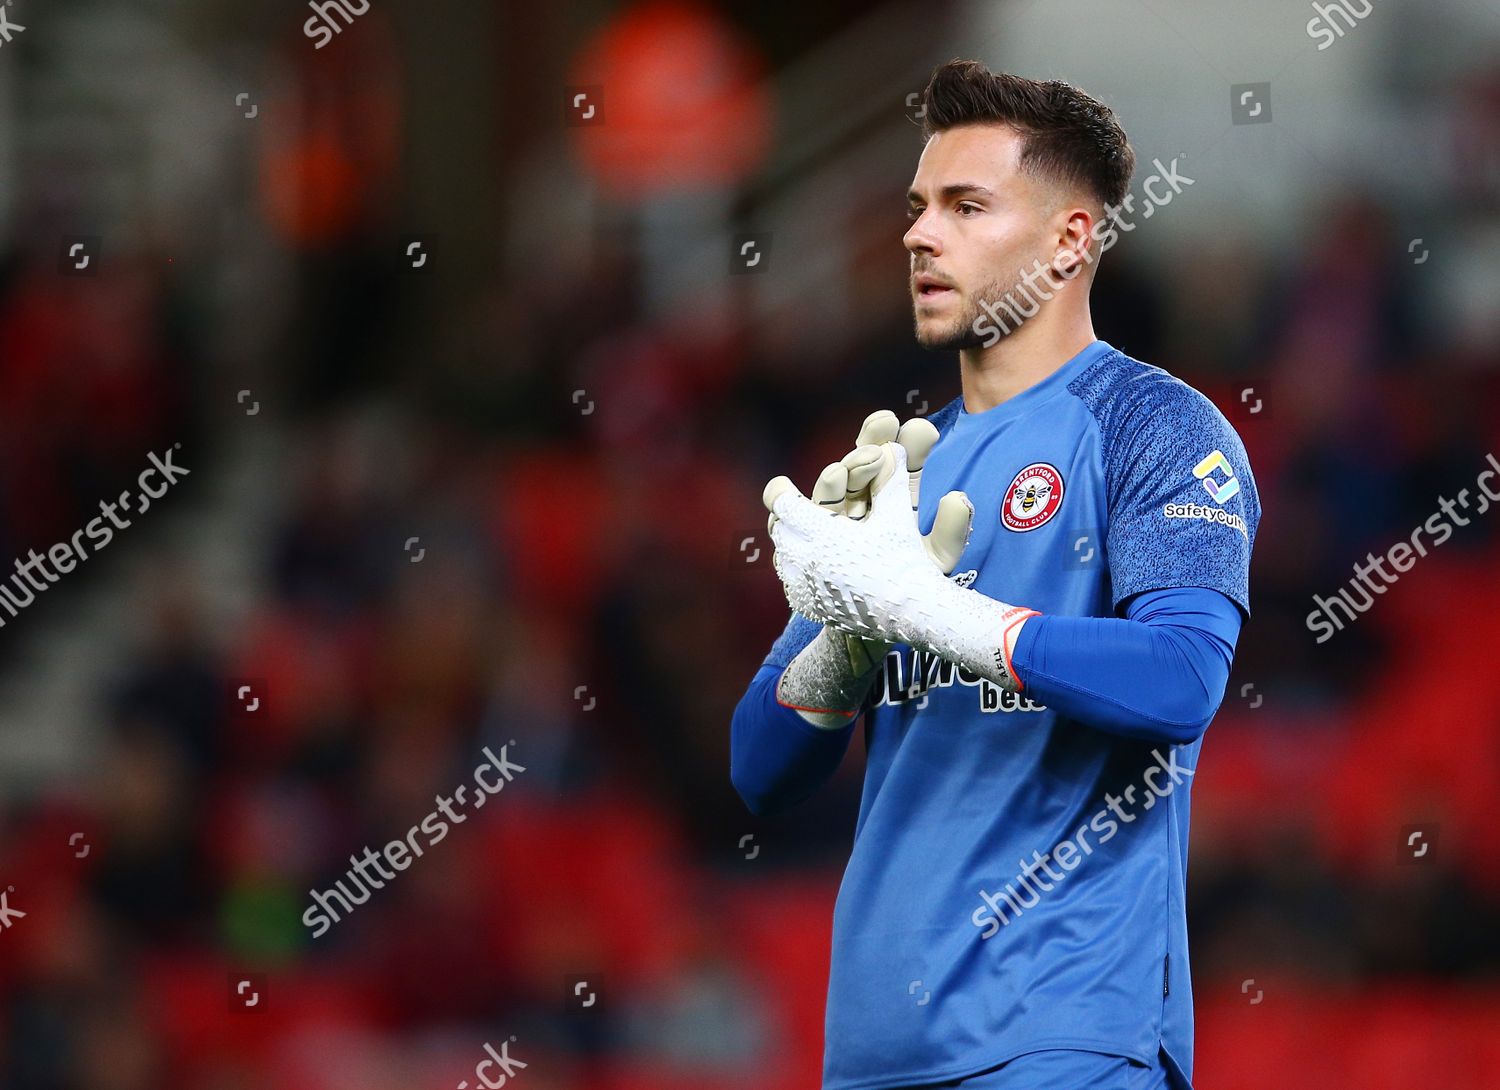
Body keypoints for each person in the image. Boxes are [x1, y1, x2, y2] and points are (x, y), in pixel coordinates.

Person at [730, 59, 1261, 1090]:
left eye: (966, 206)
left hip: (1063, 1037)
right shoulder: (901, 465)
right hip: (875, 1050)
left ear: (1070, 240)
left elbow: (1183, 678)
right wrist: (847, 634)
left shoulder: (1153, 425)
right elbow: (760, 771)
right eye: (920, 206)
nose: (919, 235)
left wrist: (937, 613)